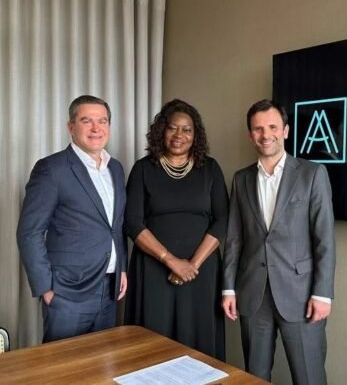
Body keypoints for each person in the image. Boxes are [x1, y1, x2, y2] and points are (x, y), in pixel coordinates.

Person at [222, 99, 336, 384]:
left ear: (285, 131)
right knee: (254, 376)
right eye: (258, 129)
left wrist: (323, 294)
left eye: (273, 127)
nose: (266, 135)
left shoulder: (312, 173)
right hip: (253, 294)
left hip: (301, 295)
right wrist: (228, 288)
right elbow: (234, 238)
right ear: (250, 135)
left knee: (308, 377)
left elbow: (324, 239)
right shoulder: (241, 179)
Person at [17, 95, 128, 343]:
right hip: (67, 292)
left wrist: (121, 268)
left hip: (110, 289)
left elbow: (116, 226)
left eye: (102, 121)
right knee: (63, 364)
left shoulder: (116, 169)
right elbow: (29, 232)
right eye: (87, 121)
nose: (96, 128)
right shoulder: (52, 169)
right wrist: (46, 288)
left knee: (103, 361)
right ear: (71, 126)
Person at [124, 99, 228, 360]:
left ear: (196, 135)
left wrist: (192, 265)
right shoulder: (143, 169)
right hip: (153, 269)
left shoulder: (211, 169)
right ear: (162, 130)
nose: (179, 135)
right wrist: (171, 261)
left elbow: (223, 220)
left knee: (199, 347)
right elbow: (133, 222)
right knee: (151, 347)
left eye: (187, 129)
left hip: (201, 272)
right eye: (172, 128)